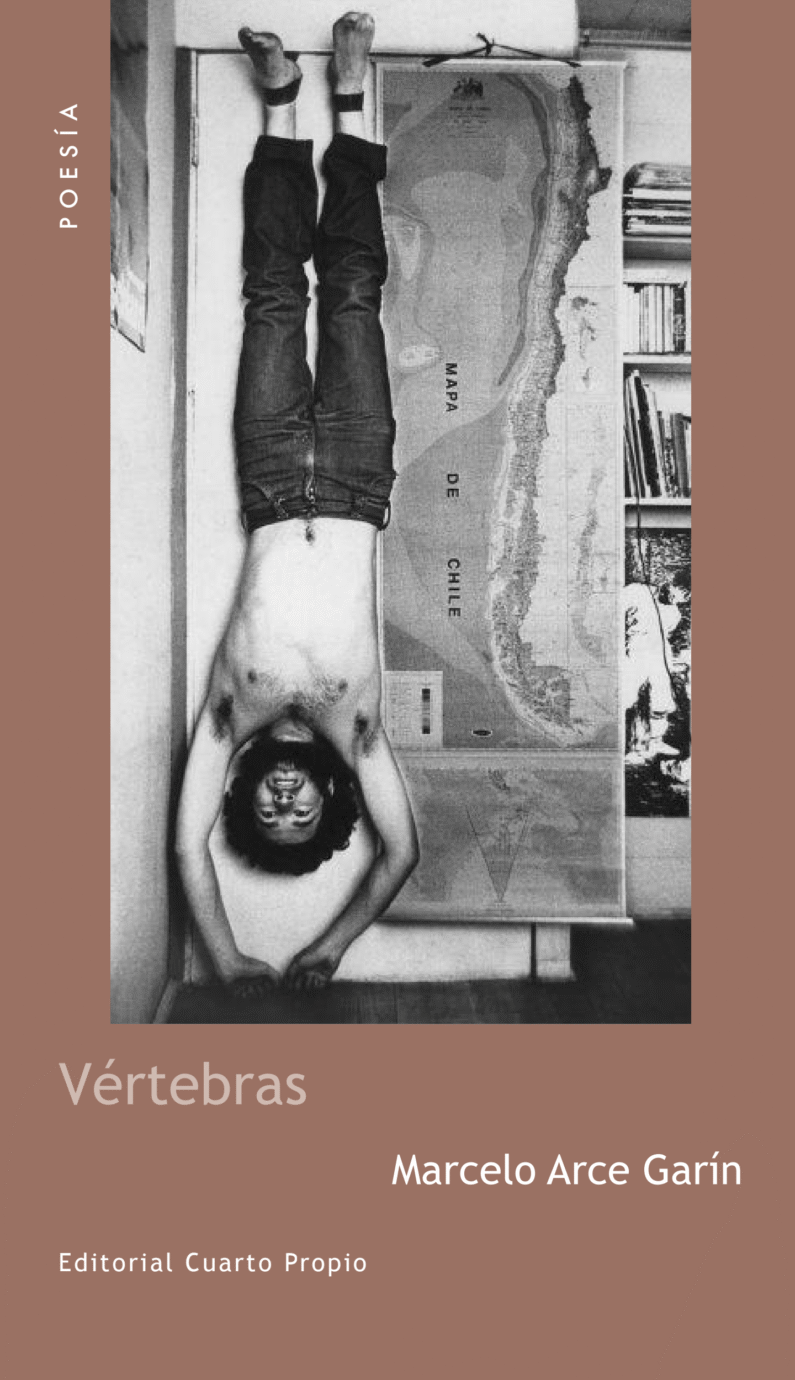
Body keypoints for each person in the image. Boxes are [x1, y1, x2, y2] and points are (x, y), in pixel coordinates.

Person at [176, 14, 418, 992]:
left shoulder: (224, 718)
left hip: (273, 479)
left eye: (267, 815)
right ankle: (349, 103)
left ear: (244, 801)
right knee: (353, 291)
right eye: (299, 815)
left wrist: (227, 955)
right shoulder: (356, 732)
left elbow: (185, 849)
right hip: (358, 477)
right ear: (326, 798)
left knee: (275, 293)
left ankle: (281, 107)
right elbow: (400, 855)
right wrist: (328, 947)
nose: (282, 804)